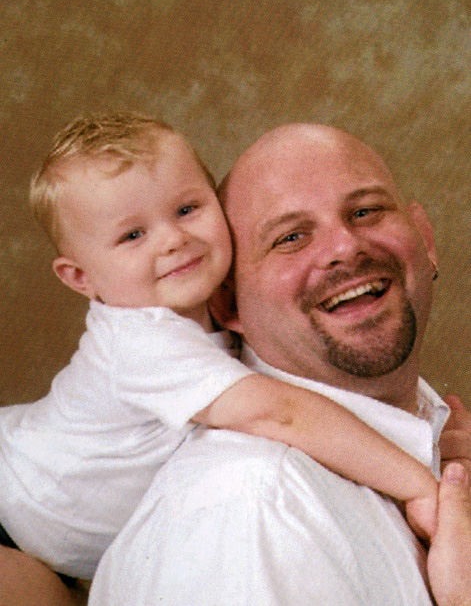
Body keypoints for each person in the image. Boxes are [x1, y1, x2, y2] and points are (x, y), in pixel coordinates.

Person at [0, 114, 436, 582]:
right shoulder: (141, 342)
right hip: (14, 512)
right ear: (80, 278)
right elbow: (284, 414)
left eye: (187, 209)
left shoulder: (204, 311)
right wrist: (424, 487)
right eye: (132, 235)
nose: (174, 239)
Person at [87, 123, 470, 606]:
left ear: (426, 239)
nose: (345, 247)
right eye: (290, 237)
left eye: (365, 211)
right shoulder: (255, 513)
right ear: (227, 304)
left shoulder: (442, 443)